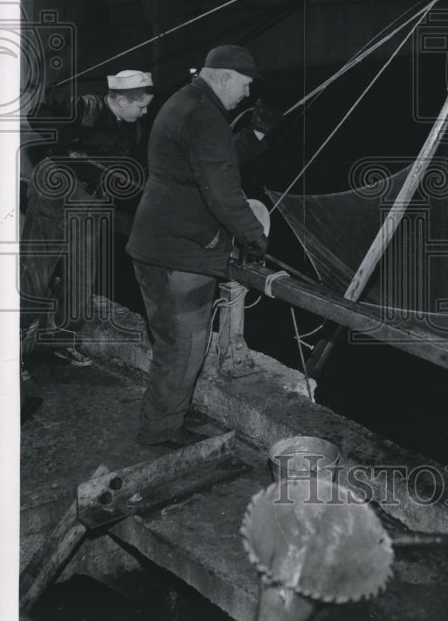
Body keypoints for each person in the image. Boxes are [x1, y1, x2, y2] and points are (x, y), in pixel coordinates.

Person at [126, 45, 279, 449]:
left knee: (172, 343)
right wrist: (254, 237)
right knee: (185, 345)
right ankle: (160, 431)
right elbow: (222, 190)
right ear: (225, 76)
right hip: (179, 253)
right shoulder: (203, 115)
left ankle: (168, 409)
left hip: (157, 243)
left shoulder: (186, 102)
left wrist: (258, 134)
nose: (246, 96)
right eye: (245, 86)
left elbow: (215, 158)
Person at [20, 70, 154, 368]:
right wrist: (62, 124)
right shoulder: (87, 107)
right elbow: (37, 116)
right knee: (37, 271)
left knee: (81, 276)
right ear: (120, 100)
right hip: (55, 189)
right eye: (140, 106)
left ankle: (64, 340)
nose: (145, 111)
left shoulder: (133, 129)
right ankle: (12, 346)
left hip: (91, 199)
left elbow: (136, 167)